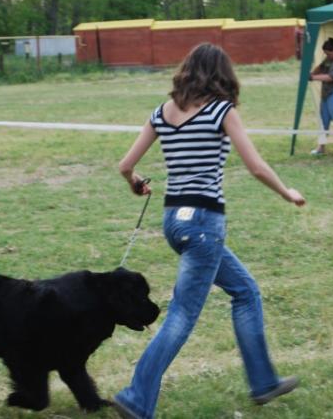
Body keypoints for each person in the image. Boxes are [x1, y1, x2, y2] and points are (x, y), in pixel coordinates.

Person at [113, 43, 305, 419]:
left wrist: (135, 182)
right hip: (203, 223)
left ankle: (263, 382)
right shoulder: (222, 111)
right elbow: (257, 167)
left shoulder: (161, 113)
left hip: (174, 221)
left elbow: (125, 165)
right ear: (222, 74)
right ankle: (136, 397)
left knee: (245, 291)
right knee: (182, 314)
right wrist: (287, 192)